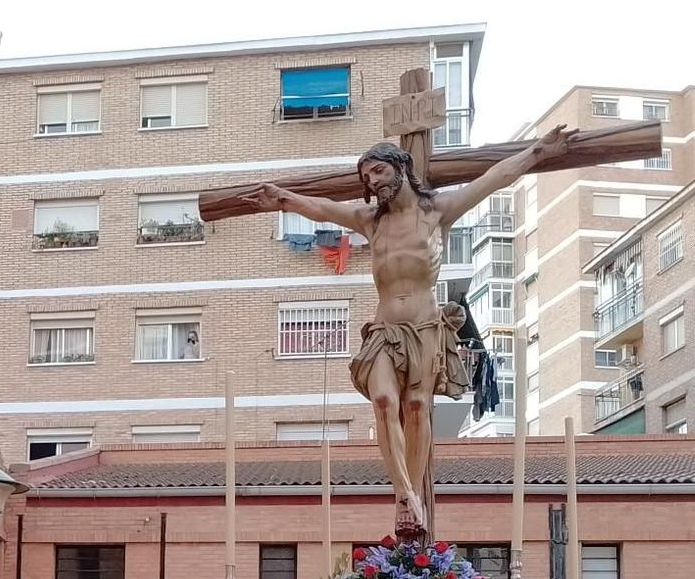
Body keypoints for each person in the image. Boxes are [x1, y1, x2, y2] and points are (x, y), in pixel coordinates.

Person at [228, 128, 571, 535]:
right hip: (385, 329)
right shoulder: (369, 220)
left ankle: (411, 501)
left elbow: (494, 178)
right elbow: (321, 209)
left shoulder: (437, 211)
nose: (372, 181)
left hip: (425, 328)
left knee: (416, 407)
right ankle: (406, 496)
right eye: (367, 177)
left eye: (378, 170)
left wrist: (536, 151)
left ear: (402, 168)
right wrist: (283, 199)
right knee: (385, 401)